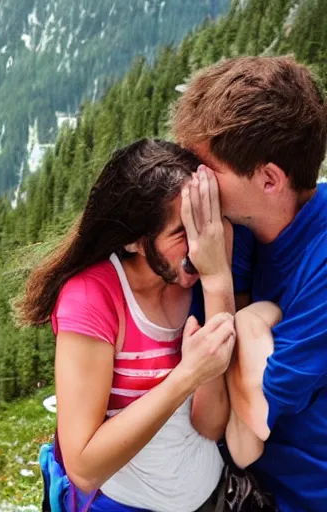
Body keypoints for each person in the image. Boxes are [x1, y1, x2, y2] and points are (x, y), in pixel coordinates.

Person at [18, 138, 239, 512]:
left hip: (211, 499)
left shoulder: (205, 272)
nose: (199, 245)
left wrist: (218, 280)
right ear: (135, 241)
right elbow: (84, 468)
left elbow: (211, 424)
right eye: (181, 233)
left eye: (202, 223)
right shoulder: (92, 299)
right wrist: (185, 376)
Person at [173, 55, 327, 512]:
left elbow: (255, 417)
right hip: (241, 483)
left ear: (269, 179)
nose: (194, 183)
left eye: (207, 170)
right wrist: (248, 323)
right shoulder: (239, 227)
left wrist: (230, 296)